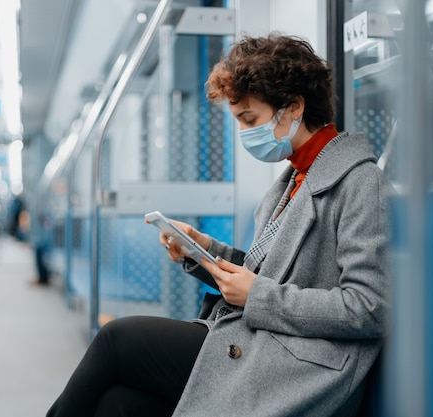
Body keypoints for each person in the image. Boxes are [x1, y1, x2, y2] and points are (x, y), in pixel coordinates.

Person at [46, 32, 392, 417]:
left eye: (250, 119)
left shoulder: (360, 181)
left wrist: (257, 296)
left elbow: (369, 307)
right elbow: (268, 275)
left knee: (116, 340)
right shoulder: (292, 181)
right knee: (119, 405)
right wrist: (205, 251)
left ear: (294, 107)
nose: (245, 133)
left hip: (299, 365)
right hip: (265, 343)